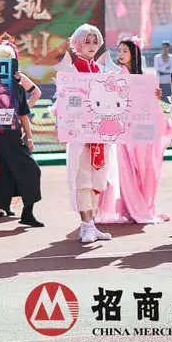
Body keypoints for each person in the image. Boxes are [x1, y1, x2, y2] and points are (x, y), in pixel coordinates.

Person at [95, 37, 170, 225]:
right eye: (119, 50)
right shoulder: (115, 74)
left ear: (134, 54)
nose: (120, 54)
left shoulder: (143, 77)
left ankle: (142, 206)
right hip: (123, 130)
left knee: (144, 168)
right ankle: (130, 208)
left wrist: (155, 95)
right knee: (126, 170)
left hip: (142, 129)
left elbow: (147, 103)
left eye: (125, 51)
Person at [0, 43, 43, 229]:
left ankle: (27, 214)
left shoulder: (17, 87)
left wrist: (29, 137)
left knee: (31, 170)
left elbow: (23, 114)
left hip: (13, 137)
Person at [60, 24, 116, 244]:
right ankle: (86, 225)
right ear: (77, 44)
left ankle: (91, 223)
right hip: (81, 137)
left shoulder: (102, 72)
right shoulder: (71, 72)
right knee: (83, 179)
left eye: (95, 41)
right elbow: (65, 103)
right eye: (87, 42)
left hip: (101, 136)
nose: (91, 46)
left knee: (98, 181)